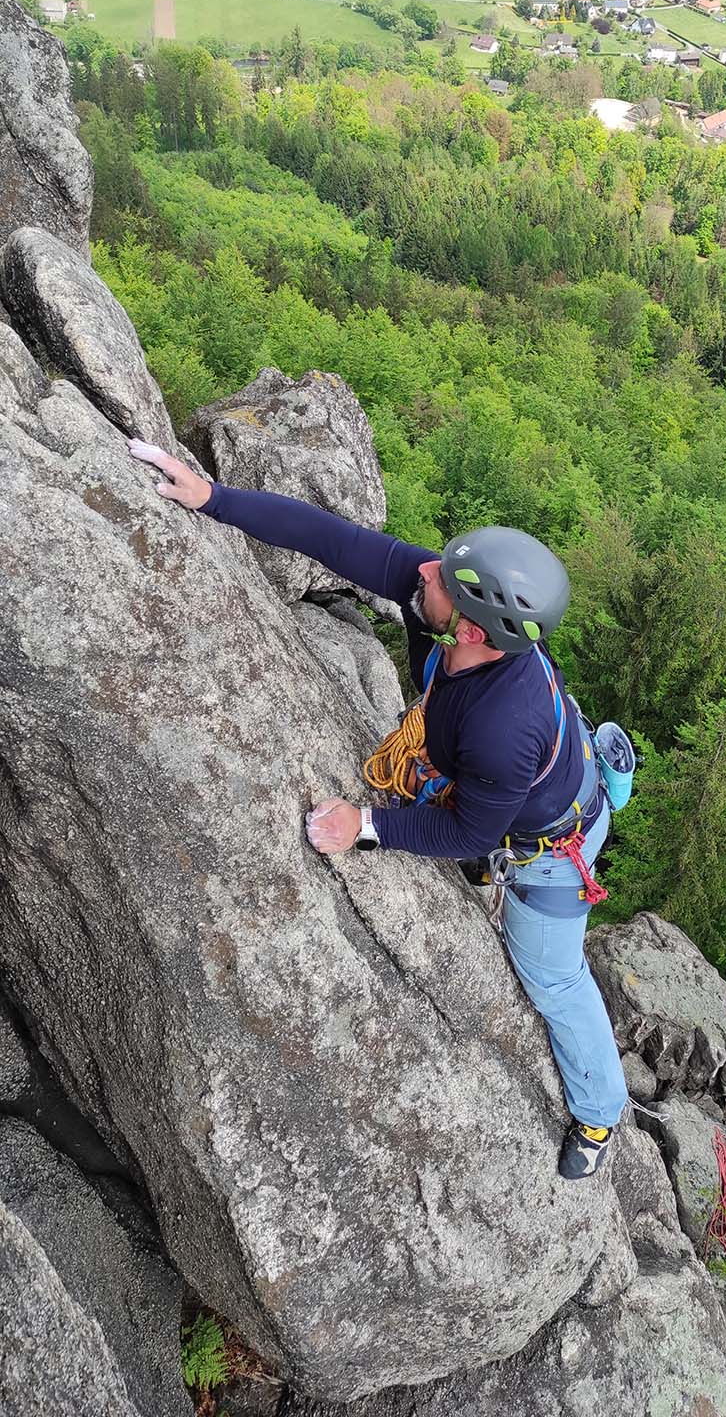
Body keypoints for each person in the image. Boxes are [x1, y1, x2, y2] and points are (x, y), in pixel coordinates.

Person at [129, 438, 628, 1179]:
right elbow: (338, 541)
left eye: (440, 577)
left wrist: (362, 827)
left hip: (554, 851)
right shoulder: (473, 620)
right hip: (520, 783)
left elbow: (471, 831)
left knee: (553, 979)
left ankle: (600, 1114)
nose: (423, 567)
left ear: (468, 630)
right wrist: (215, 499)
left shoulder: (499, 726)